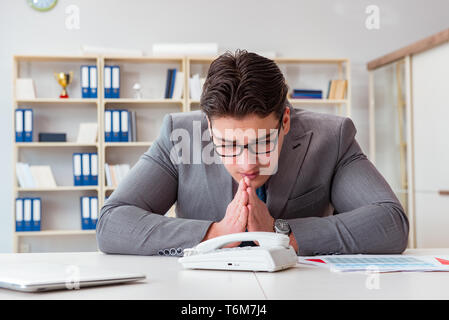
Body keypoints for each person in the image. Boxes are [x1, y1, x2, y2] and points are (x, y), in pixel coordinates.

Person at [96, 50, 409, 256]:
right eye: (228, 145)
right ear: (208, 126)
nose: (246, 163)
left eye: (261, 143)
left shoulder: (332, 137)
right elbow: (112, 223)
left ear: (285, 120)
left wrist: (281, 234)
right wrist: (214, 233)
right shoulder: (179, 135)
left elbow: (390, 222)